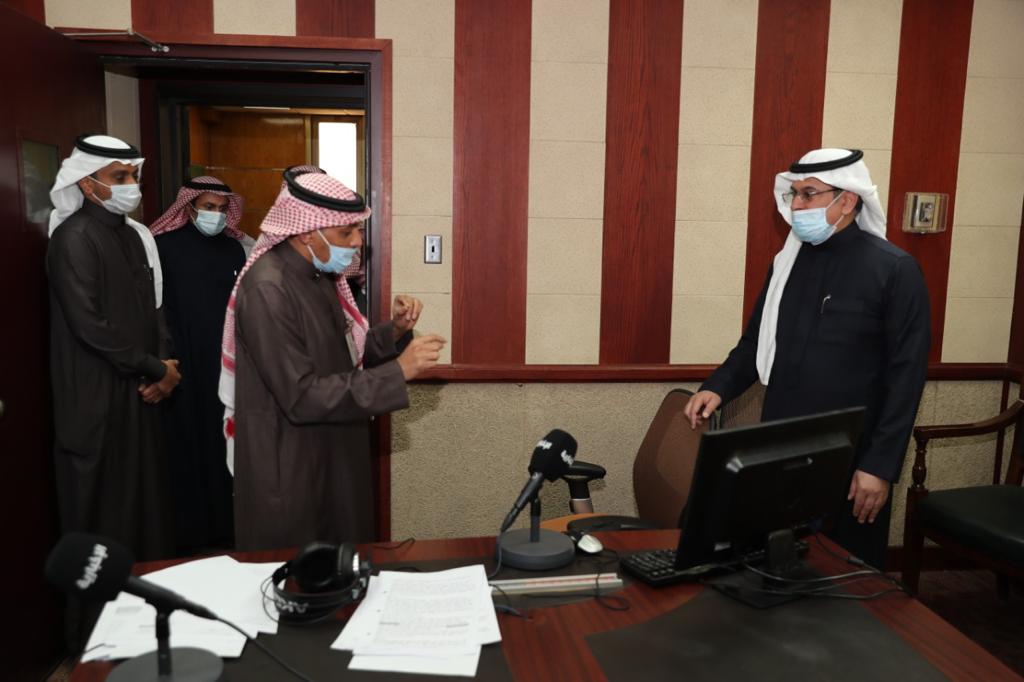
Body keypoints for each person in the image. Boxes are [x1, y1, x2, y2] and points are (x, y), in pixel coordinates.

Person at [683, 148, 930, 569]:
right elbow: (756, 343)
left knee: (844, 577)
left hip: (850, 459)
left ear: (847, 200)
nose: (796, 205)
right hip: (781, 446)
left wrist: (879, 467)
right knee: (775, 567)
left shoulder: (894, 270)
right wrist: (718, 387)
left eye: (808, 194)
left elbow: (905, 380)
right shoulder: (787, 264)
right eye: (794, 194)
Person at [219, 167, 446, 551]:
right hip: (292, 462)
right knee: (302, 570)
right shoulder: (268, 289)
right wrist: (398, 372)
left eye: (358, 230)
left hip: (333, 450)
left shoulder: (317, 276)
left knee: (343, 561)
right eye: (346, 232)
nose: (358, 241)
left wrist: (393, 331)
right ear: (307, 232)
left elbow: (343, 355)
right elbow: (301, 395)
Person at [47, 134, 179, 562]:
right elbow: (89, 325)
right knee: (103, 511)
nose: (130, 185)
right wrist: (155, 369)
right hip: (96, 397)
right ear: (88, 184)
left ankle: (146, 594)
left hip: (140, 392)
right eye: (118, 177)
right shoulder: (73, 238)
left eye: (133, 175)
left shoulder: (135, 236)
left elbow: (153, 308)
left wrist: (164, 366)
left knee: (146, 505)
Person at [149, 177, 249, 554]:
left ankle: (226, 526)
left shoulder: (233, 250)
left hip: (224, 364)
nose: (216, 215)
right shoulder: (164, 247)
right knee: (186, 444)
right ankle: (189, 533)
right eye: (208, 207)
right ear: (189, 207)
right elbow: (156, 307)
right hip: (182, 364)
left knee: (222, 442)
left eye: (222, 209)